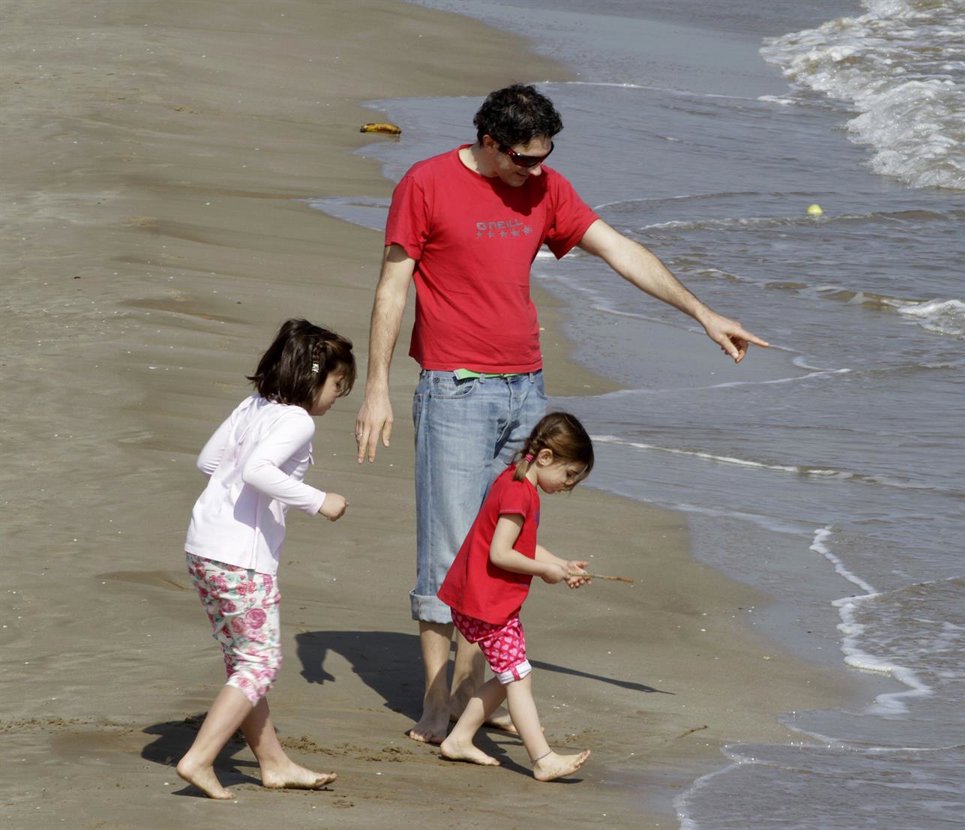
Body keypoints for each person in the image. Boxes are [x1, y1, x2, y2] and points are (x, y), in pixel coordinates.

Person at [354, 83, 768, 745]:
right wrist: (377, 386)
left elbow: (620, 250)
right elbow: (392, 285)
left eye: (544, 157)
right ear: (490, 142)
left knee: (502, 544)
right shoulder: (425, 184)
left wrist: (703, 314)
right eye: (523, 158)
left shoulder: (545, 188)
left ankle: (468, 694)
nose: (535, 170)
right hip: (455, 391)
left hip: (527, 392)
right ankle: (434, 706)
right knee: (447, 551)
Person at [176, 318, 355, 800]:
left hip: (204, 546)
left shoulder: (252, 405)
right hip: (241, 557)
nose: (337, 397)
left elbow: (209, 462)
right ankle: (199, 758)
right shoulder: (297, 420)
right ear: (313, 378)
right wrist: (318, 500)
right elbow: (257, 471)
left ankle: (273, 763)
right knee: (260, 663)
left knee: (242, 660)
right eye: (337, 385)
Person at [437, 412, 595, 782]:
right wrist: (544, 571)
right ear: (546, 457)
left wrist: (561, 565)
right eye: (569, 475)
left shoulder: (517, 480)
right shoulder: (518, 492)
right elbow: (501, 553)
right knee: (519, 678)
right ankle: (542, 758)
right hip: (485, 604)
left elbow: (522, 545)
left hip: (483, 600)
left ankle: (459, 739)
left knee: (512, 675)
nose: (568, 485)